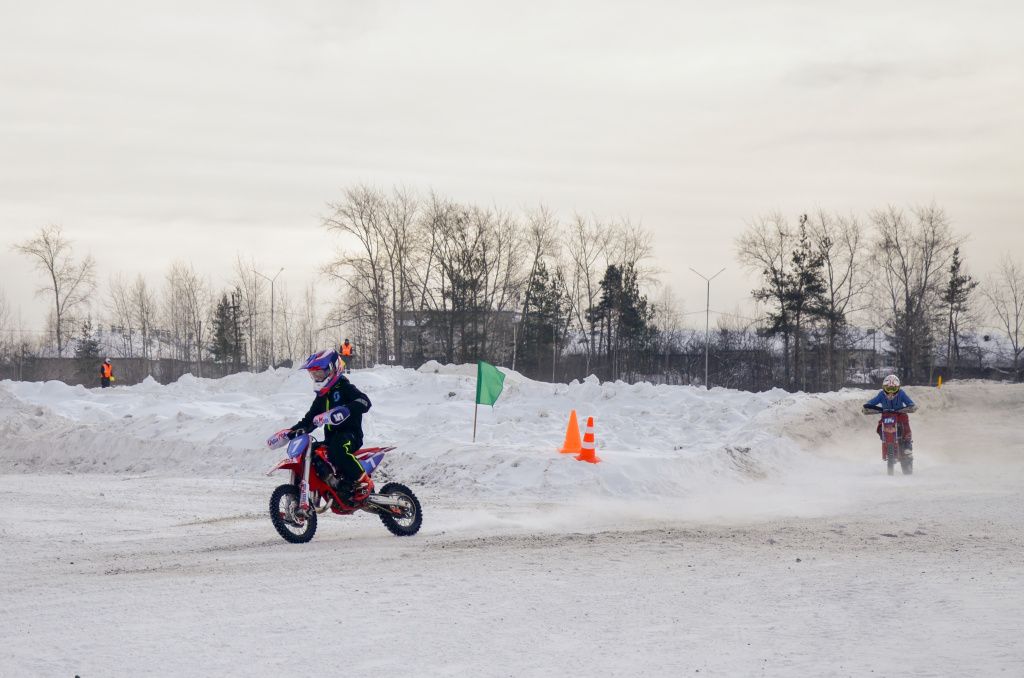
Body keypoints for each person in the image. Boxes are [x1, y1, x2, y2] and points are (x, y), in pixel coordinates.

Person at [289, 348, 373, 503]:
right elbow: (310, 419)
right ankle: (320, 489)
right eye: (314, 374)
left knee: (338, 449)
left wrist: (347, 409)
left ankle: (363, 481)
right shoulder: (321, 397)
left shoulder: (345, 388)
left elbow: (365, 402)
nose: (317, 377)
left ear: (333, 369)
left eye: (320, 373)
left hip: (350, 435)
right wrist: (293, 431)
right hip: (332, 438)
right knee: (311, 452)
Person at [862, 374, 914, 453]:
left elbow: (909, 402)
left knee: (905, 423)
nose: (890, 392)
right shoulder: (881, 394)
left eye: (893, 389)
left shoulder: (901, 393)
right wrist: (867, 406)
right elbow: (873, 401)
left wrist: (911, 406)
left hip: (900, 414)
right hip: (886, 415)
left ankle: (907, 444)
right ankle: (885, 439)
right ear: (884, 388)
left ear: (898, 388)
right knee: (879, 427)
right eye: (888, 389)